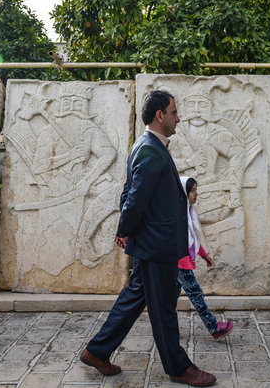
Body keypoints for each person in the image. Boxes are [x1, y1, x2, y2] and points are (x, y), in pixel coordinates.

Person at [79, 90, 216, 387]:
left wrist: (127, 229)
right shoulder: (151, 149)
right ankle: (178, 367)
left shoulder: (145, 145)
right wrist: (124, 229)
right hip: (158, 245)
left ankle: (96, 351)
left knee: (132, 299)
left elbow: (129, 192)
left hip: (151, 242)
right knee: (165, 308)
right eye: (174, 112)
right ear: (160, 115)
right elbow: (135, 198)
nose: (178, 118)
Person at [178, 175, 234, 338]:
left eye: (196, 190)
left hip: (180, 262)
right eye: (192, 191)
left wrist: (204, 256)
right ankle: (214, 327)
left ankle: (167, 330)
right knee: (196, 294)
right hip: (179, 262)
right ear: (183, 193)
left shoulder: (189, 211)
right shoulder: (179, 215)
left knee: (167, 300)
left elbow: (192, 240)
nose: (196, 194)